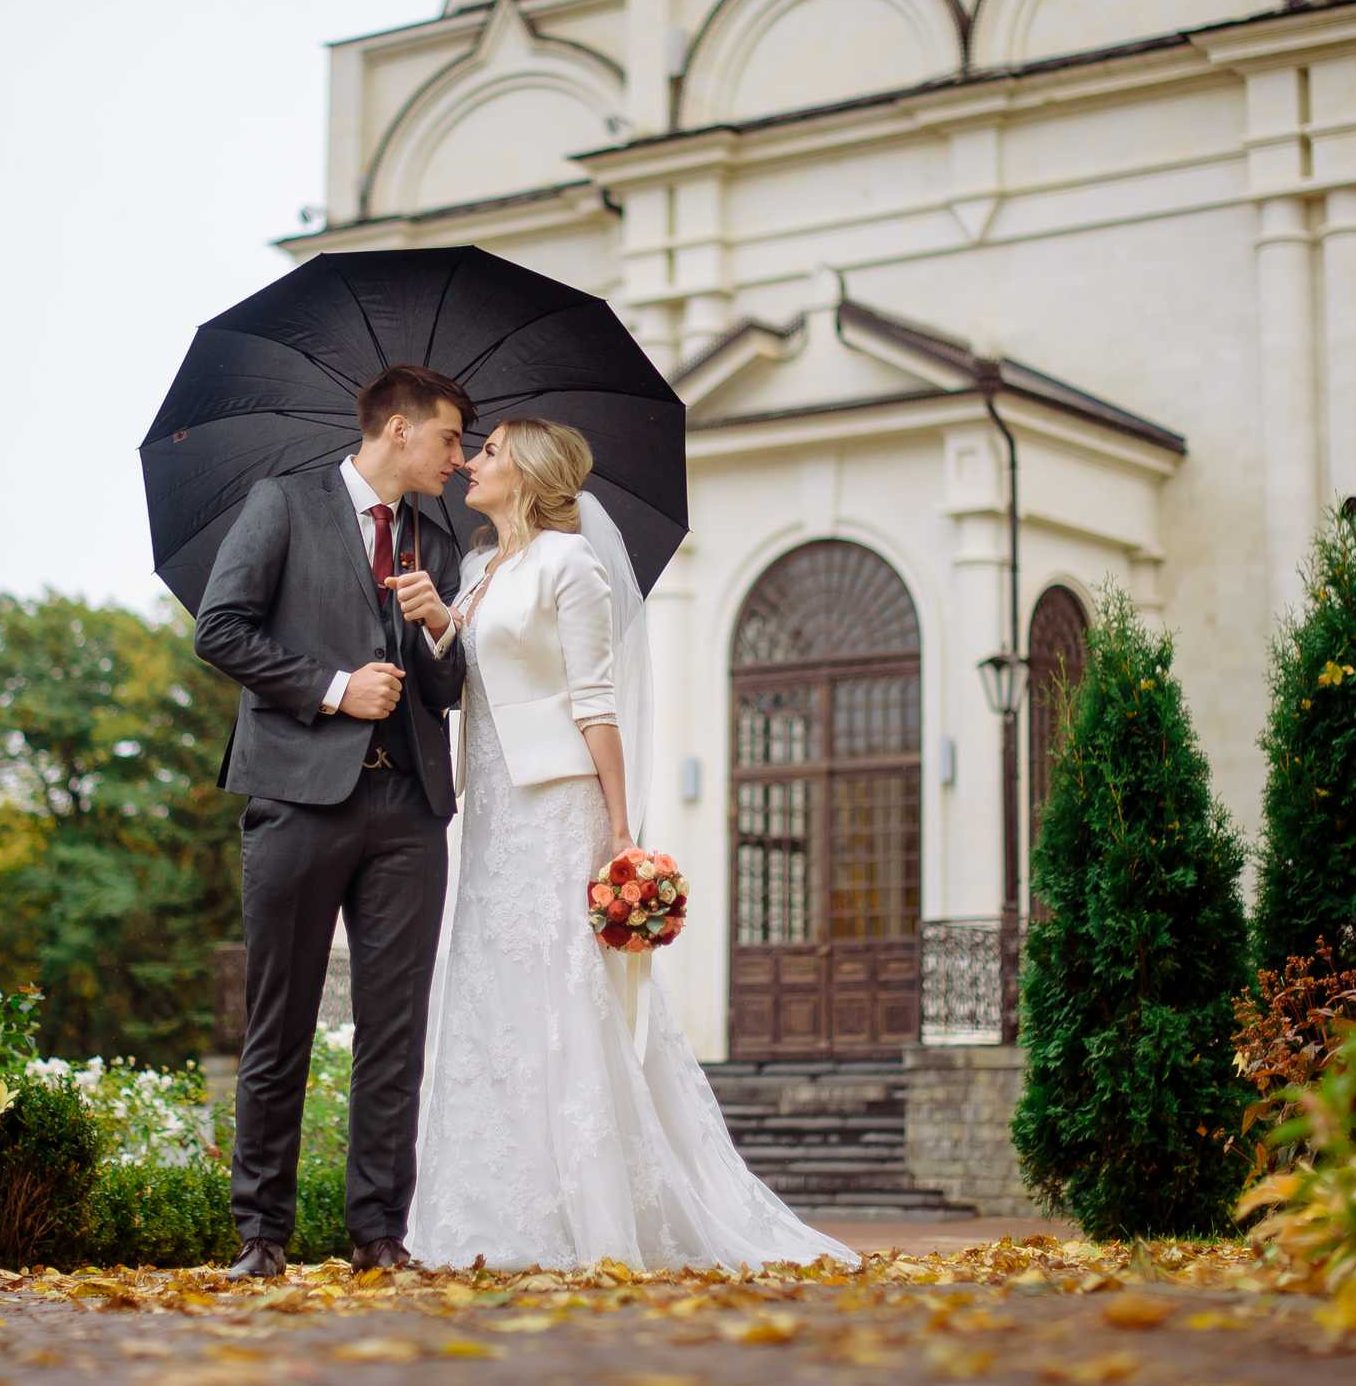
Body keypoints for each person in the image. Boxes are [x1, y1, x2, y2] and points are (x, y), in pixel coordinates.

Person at [396, 419, 859, 1271]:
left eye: (489, 450)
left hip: (560, 802)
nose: (471, 461)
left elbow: (595, 701)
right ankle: (491, 1215)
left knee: (566, 990)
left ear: (528, 473)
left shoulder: (571, 566)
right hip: (493, 804)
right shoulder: (475, 570)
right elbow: (467, 681)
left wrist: (617, 832)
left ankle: (594, 1207)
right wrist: (434, 621)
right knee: (494, 990)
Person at [193, 363, 474, 1280]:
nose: (458, 458)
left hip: (409, 811)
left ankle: (378, 1235)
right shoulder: (282, 503)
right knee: (280, 1022)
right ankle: (260, 1235)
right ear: (399, 429)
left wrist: (438, 630)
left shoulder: (438, 537)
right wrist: (332, 689)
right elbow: (220, 628)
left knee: (394, 1033)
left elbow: (448, 690)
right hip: (298, 799)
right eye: (448, 438)